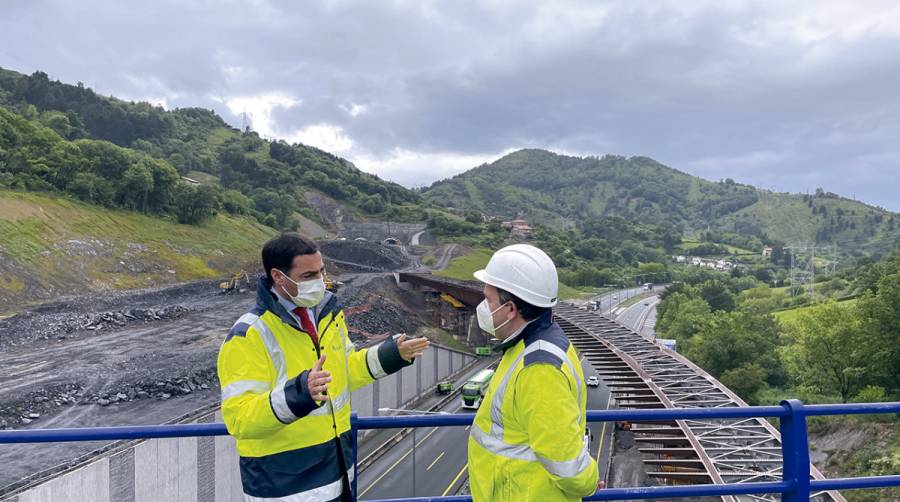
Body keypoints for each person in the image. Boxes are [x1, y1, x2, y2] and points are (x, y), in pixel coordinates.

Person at [217, 232, 429, 501]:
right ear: (279, 277)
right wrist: (299, 394)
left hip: (337, 475)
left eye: (321, 271)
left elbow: (343, 371)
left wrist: (391, 355)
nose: (320, 281)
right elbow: (240, 420)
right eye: (308, 276)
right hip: (286, 488)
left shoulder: (327, 315)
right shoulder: (249, 335)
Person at [467, 244, 599, 501]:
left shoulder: (539, 370)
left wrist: (590, 481)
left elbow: (567, 465)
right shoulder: (528, 344)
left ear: (511, 309)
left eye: (489, 299)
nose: (483, 306)